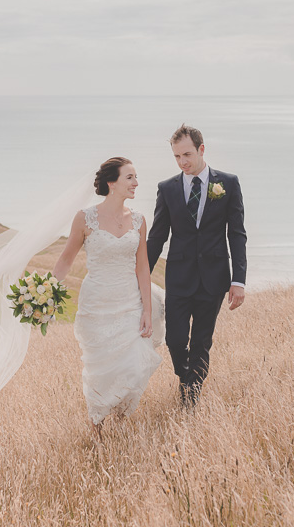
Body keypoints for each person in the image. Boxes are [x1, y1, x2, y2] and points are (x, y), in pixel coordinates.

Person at [53, 157, 165, 442]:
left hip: (130, 301)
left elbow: (142, 267)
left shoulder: (138, 220)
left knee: (132, 364)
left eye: (136, 177)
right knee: (100, 367)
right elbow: (66, 259)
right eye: (130, 178)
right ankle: (97, 430)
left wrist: (147, 311)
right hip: (97, 304)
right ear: (111, 183)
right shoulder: (85, 218)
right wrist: (47, 292)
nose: (136, 183)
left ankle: (121, 420)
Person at [147, 124, 247, 406]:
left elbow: (236, 234)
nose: (183, 162)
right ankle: (186, 376)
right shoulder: (167, 189)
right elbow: (157, 237)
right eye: (177, 157)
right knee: (176, 340)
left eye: (187, 155)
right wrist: (139, 275)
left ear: (202, 149)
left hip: (214, 279)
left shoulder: (228, 183)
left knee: (202, 341)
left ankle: (189, 400)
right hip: (178, 278)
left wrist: (238, 280)